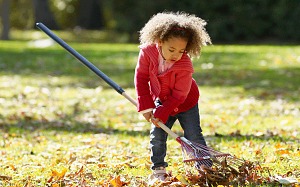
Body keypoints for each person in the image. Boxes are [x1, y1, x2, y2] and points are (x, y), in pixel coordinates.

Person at [134, 11, 211, 183]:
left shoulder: (184, 65)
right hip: (162, 99)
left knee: (193, 135)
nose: (176, 54)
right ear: (159, 42)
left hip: (186, 103)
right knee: (157, 136)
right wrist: (147, 106)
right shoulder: (147, 53)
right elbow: (141, 78)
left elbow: (179, 95)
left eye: (182, 50)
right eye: (171, 49)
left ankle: (205, 168)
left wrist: (164, 110)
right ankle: (158, 170)